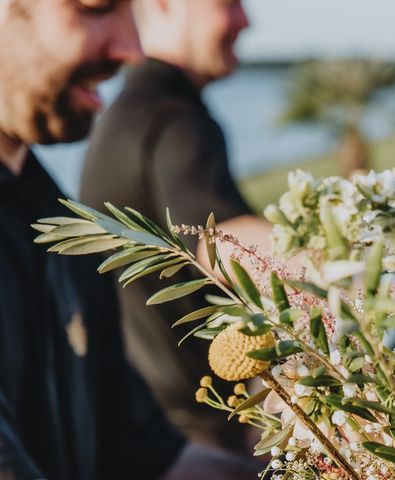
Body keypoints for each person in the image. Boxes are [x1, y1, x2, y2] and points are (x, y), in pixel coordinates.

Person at [0, 0, 261, 478]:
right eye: (95, 8)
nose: (134, 50)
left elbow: (147, 458)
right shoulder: (170, 117)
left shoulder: (62, 231)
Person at [80, 0, 273, 448]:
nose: (246, 21)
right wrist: (357, 277)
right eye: (229, 5)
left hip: (152, 429)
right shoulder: (173, 117)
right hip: (202, 435)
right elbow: (224, 244)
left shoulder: (130, 112)